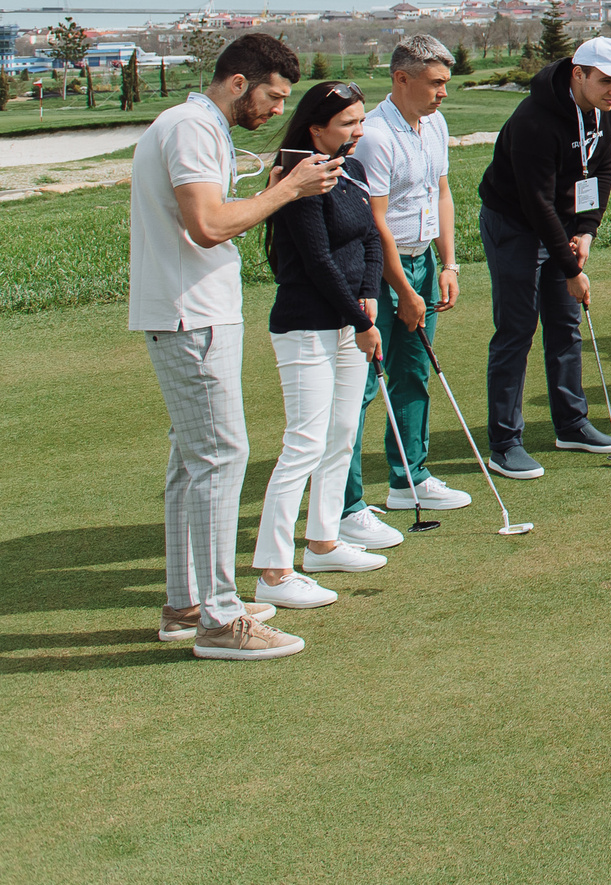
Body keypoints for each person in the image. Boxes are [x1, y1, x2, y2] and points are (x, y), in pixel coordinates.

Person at [131, 32, 325, 659]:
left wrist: (270, 186)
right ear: (239, 82)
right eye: (272, 96)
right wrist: (288, 190)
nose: (276, 110)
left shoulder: (197, 127)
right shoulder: (192, 127)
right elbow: (209, 225)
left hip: (193, 312)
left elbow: (214, 212)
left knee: (194, 462)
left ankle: (187, 604)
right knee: (220, 456)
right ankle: (219, 618)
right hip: (192, 316)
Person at [250, 82, 389, 611]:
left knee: (341, 431)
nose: (359, 131)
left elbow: (371, 237)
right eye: (348, 123)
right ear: (315, 129)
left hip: (350, 318)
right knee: (303, 442)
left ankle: (324, 543)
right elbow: (315, 260)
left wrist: (369, 294)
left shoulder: (348, 168)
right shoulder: (295, 179)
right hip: (307, 323)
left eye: (359, 120)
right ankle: (273, 571)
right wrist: (361, 319)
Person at [479, 35, 611, 479]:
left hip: (563, 224)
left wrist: (586, 231)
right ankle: (504, 443)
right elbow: (535, 202)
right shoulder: (534, 120)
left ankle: (571, 423)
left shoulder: (607, 109)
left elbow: (604, 168)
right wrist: (571, 271)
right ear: (578, 74)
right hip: (515, 225)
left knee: (565, 324)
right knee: (517, 329)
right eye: (606, 80)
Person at [345, 35, 470, 540]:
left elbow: (441, 193)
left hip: (422, 264)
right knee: (362, 389)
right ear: (402, 79)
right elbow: (375, 222)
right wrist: (403, 288)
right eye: (436, 83)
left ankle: (408, 480)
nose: (444, 93)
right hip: (378, 273)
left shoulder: (435, 124)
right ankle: (348, 505)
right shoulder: (374, 135)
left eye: (446, 82)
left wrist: (449, 263)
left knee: (414, 373)